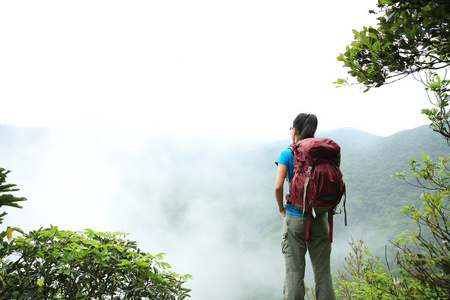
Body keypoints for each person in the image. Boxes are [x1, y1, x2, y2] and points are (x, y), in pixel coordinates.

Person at [274, 113, 336, 300]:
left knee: (294, 272)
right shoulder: (323, 153)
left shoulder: (288, 153)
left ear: (294, 131)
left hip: (295, 216)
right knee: (323, 272)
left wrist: (281, 210)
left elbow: (278, 186)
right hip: (320, 217)